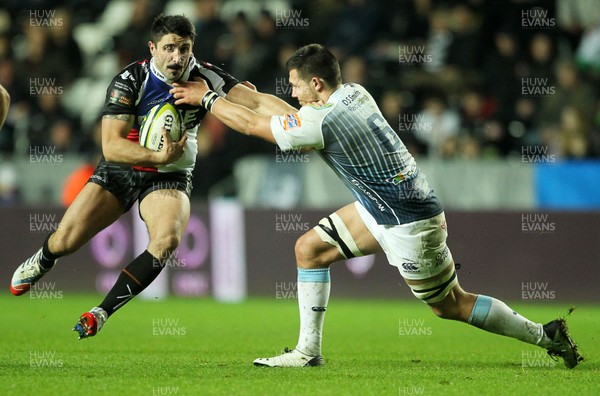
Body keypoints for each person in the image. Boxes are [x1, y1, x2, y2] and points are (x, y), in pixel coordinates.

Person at [170, 44, 583, 368]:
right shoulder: (352, 93)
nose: (291, 93)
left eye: (295, 84)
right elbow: (270, 108)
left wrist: (207, 101)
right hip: (381, 207)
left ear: (316, 84)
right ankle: (307, 352)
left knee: (450, 305)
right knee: (309, 249)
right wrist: (222, 84)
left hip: (409, 222)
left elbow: (255, 124)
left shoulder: (320, 121)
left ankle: (544, 336)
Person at [9, 14, 295, 340]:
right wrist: (156, 155)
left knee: (166, 241)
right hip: (122, 169)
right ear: (153, 48)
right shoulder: (130, 80)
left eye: (184, 49)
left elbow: (257, 102)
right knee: (64, 241)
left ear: (192, 49)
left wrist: (301, 119)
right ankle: (45, 259)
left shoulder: (204, 77)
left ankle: (101, 312)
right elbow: (111, 146)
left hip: (170, 175)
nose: (177, 57)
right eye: (169, 48)